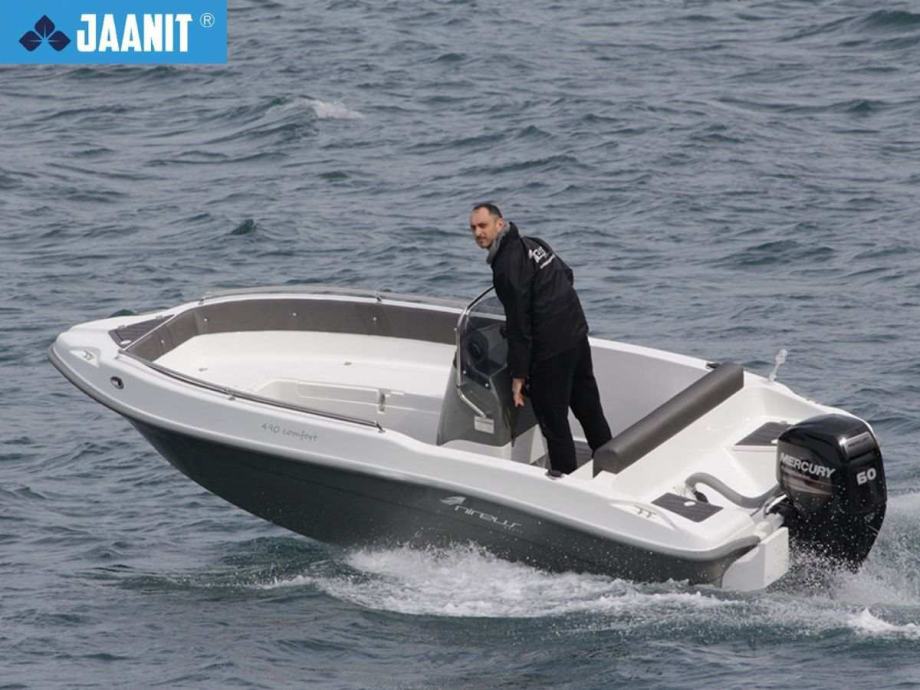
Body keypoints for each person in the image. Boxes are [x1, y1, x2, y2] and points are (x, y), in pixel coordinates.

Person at [468, 202, 612, 476]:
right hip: (576, 336)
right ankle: (612, 468)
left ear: (500, 224)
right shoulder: (534, 244)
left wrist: (518, 375)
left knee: (554, 423)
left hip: (551, 351)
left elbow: (519, 322)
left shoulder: (505, 266)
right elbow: (566, 275)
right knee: (589, 408)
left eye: (483, 226)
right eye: (473, 228)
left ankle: (565, 480)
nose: (477, 233)